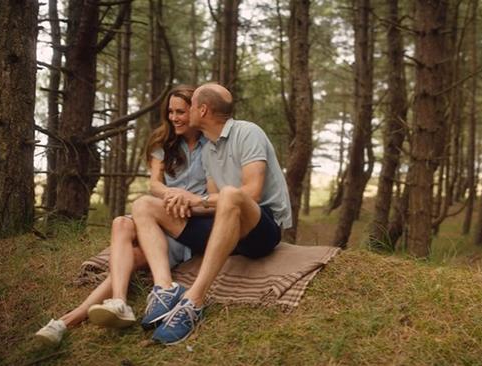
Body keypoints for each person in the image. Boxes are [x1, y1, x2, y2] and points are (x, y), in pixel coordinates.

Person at [34, 85, 209, 345]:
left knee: (132, 259)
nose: (174, 117)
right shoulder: (164, 142)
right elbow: (155, 185)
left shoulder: (212, 144)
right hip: (158, 212)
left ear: (195, 111)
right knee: (120, 223)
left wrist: (187, 200)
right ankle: (119, 302)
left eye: (180, 112)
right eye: (170, 112)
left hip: (183, 223)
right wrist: (173, 195)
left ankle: (67, 320)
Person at [130, 82, 292, 345]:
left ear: (202, 110)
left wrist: (196, 199)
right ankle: (165, 288)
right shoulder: (208, 149)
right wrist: (184, 203)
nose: (184, 112)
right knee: (144, 205)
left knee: (230, 194)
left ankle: (193, 301)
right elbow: (210, 202)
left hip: (260, 228)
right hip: (224, 229)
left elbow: (252, 193)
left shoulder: (248, 133)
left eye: (190, 106)